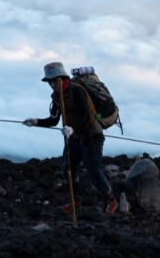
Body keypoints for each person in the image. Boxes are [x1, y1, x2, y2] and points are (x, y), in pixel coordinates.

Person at [23, 62, 118, 215]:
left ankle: (111, 199)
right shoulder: (57, 97)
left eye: (55, 80)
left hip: (92, 137)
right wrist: (36, 122)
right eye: (50, 81)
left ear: (63, 77)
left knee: (94, 171)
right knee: (68, 168)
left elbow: (88, 115)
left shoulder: (77, 90)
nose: (52, 84)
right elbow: (54, 120)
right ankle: (75, 201)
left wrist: (72, 128)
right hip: (74, 137)